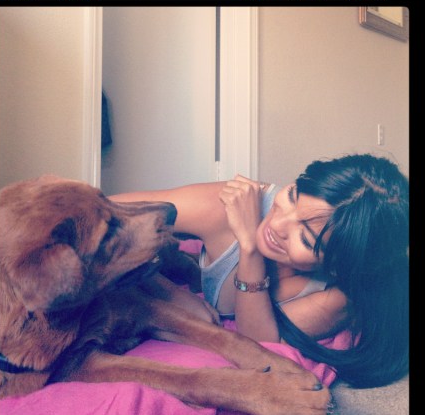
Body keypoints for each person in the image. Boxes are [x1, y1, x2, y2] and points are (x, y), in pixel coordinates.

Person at [110, 153, 409, 389]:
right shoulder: (225, 206)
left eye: (305, 239)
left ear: (336, 267)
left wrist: (249, 246)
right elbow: (104, 213)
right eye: (292, 196)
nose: (277, 225)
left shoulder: (339, 294)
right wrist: (166, 290)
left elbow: (258, 342)